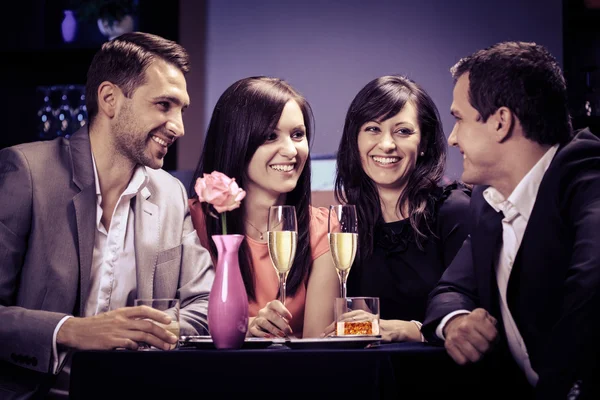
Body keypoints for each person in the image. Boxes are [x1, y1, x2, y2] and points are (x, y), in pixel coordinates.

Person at [0, 32, 214, 399]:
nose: (179, 126)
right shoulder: (28, 172)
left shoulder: (171, 194)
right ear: (110, 99)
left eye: (182, 110)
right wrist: (71, 330)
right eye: (164, 105)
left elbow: (205, 304)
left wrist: (146, 329)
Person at [423, 41, 600, 399]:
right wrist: (455, 322)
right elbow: (450, 290)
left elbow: (592, 287)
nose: (453, 138)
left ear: (501, 121)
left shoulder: (587, 173)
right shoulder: (487, 203)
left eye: (458, 118)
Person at [189, 76, 338, 338]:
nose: (291, 151)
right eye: (270, 136)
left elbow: (316, 346)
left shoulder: (323, 229)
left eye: (297, 135)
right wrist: (243, 330)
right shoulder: (191, 221)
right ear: (235, 141)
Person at [330, 75, 471, 342]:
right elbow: (353, 326)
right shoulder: (348, 224)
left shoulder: (455, 212)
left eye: (403, 131)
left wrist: (414, 330)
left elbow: (479, 320)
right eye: (372, 129)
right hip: (371, 375)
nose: (386, 144)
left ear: (424, 143)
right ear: (355, 140)